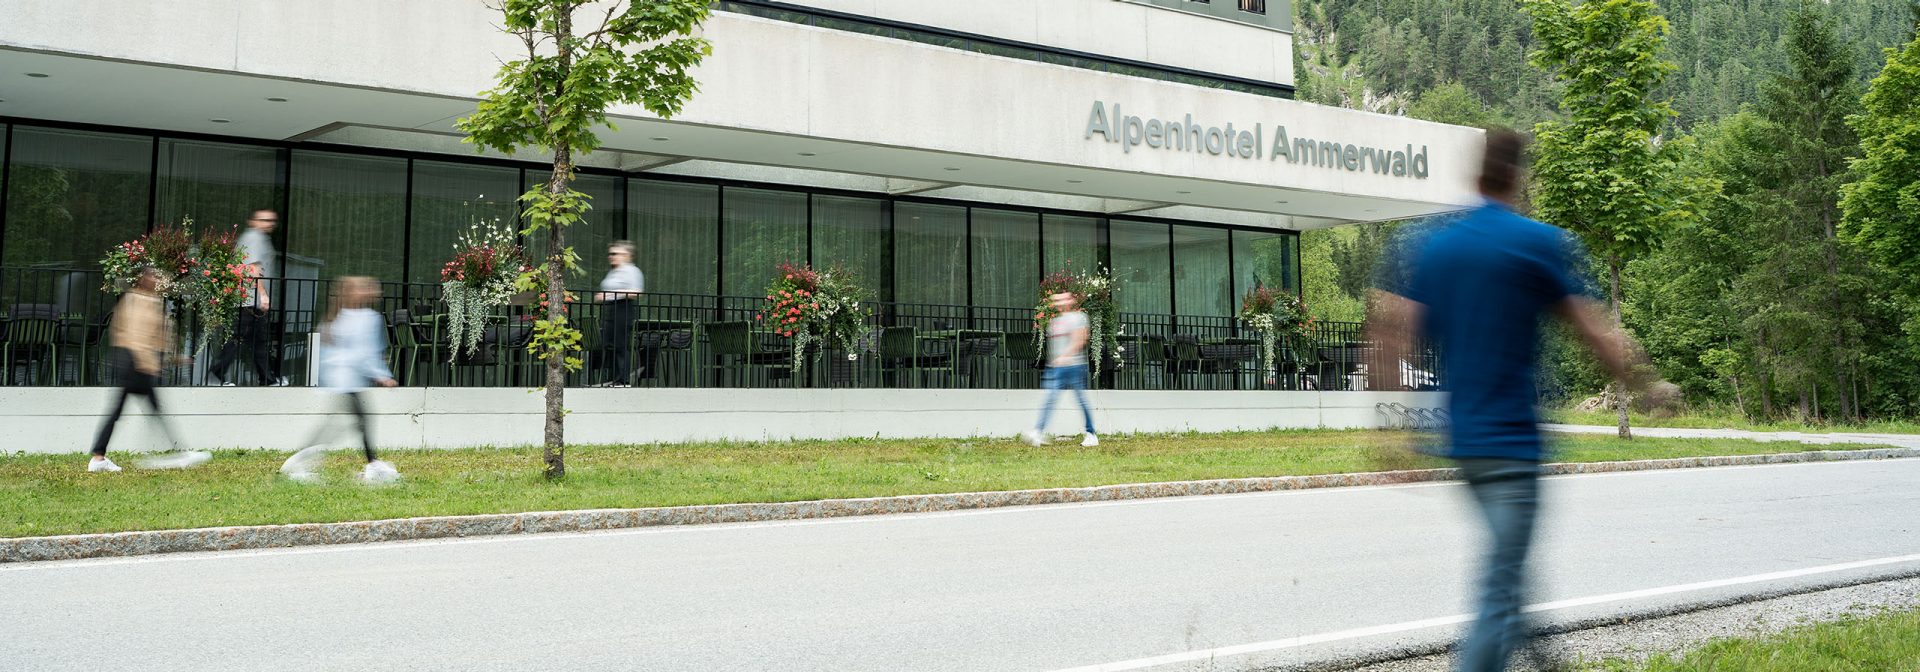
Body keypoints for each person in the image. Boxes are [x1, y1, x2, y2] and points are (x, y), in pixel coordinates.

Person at [1371, 129, 1670, 671]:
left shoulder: (1436, 247)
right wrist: (1648, 383)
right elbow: (1594, 331)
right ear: (1516, 177)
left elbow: (1392, 334)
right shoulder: (1535, 242)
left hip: (1466, 446)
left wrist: (1391, 432)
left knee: (1510, 573)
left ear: (1478, 173)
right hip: (1512, 445)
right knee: (1502, 585)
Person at [89, 266, 212, 472]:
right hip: (135, 364)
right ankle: (181, 452)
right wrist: (146, 362)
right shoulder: (139, 300)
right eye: (153, 276)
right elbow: (136, 335)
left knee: (131, 409)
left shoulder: (144, 300)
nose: (156, 280)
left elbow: (155, 337)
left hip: (135, 363)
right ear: (144, 279)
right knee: (147, 409)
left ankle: (99, 458)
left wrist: (171, 359)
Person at [281, 276, 401, 484]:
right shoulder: (360, 318)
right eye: (367, 288)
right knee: (358, 421)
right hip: (345, 381)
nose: (373, 291)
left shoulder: (350, 316)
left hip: (345, 380)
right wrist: (381, 375)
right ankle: (371, 464)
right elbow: (364, 352)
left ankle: (301, 461)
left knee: (349, 423)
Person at [210, 208, 282, 386]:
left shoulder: (260, 238)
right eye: (264, 220)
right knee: (237, 339)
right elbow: (253, 268)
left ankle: (267, 379)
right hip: (248, 300)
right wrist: (263, 295)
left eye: (272, 221)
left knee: (257, 341)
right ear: (253, 221)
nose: (269, 224)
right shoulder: (254, 237)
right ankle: (216, 374)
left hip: (250, 300)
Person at [1022, 291, 1099, 448]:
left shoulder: (1079, 318)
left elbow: (1080, 340)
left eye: (1063, 299)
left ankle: (1091, 434)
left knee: (1081, 400)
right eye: (1056, 300)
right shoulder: (1055, 321)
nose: (1059, 303)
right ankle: (1038, 432)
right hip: (1057, 368)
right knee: (1050, 398)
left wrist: (1064, 357)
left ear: (1071, 301)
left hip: (1074, 366)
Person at [594, 240, 644, 387]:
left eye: (615, 253)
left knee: (620, 344)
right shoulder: (613, 272)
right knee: (608, 343)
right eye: (610, 254)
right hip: (610, 309)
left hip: (623, 308)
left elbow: (636, 292)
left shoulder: (632, 271)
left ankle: (624, 380)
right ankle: (616, 378)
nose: (611, 256)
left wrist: (609, 295)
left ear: (626, 255)